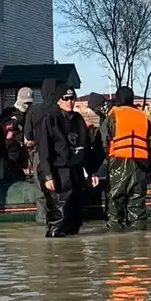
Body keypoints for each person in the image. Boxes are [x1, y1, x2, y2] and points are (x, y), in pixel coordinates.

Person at [36, 84, 99, 237]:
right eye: (66, 98)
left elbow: (86, 147)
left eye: (72, 98)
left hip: (76, 170)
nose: (70, 102)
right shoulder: (50, 119)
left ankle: (74, 257)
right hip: (58, 171)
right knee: (60, 215)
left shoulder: (78, 119)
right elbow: (44, 150)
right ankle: (55, 249)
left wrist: (91, 172)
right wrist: (48, 176)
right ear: (58, 100)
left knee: (75, 216)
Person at [100, 86, 151, 231]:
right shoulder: (144, 118)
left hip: (117, 164)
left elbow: (103, 143)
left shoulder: (112, 118)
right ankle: (139, 244)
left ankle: (116, 246)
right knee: (137, 206)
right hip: (140, 166)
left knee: (115, 206)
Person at [23, 78, 58, 224]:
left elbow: (28, 138)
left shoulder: (34, 111)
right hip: (60, 154)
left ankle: (43, 222)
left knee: (41, 192)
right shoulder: (61, 110)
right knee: (61, 191)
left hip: (41, 154)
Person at [0, 87, 34, 180]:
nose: (28, 106)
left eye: (30, 103)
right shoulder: (8, 113)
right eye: (26, 103)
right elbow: (3, 129)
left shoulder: (31, 114)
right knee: (12, 178)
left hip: (27, 151)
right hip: (12, 151)